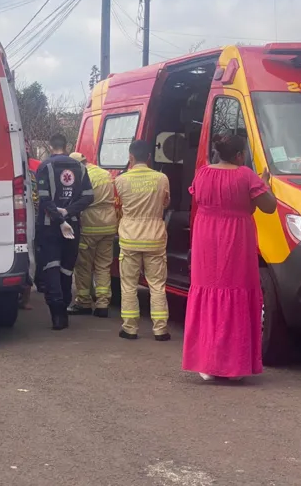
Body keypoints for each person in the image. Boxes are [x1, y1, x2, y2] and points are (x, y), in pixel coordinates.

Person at [183, 134, 277, 381]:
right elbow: (268, 206)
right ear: (239, 155)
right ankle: (234, 365)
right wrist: (263, 183)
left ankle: (206, 362)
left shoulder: (202, 173)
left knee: (207, 290)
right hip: (235, 237)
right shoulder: (246, 175)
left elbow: (202, 199)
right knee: (236, 290)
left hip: (206, 236)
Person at [114, 140, 171, 341]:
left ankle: (130, 328)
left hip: (129, 239)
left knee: (128, 285)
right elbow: (165, 203)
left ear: (130, 157)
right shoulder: (162, 178)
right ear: (149, 157)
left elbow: (118, 207)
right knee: (157, 284)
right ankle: (160, 330)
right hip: (155, 238)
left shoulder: (121, 181)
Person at [35, 134, 94, 330]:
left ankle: (57, 314)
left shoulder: (44, 167)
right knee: (67, 269)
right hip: (73, 224)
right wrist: (68, 213)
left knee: (51, 267)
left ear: (51, 147)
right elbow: (88, 197)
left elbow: (43, 198)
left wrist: (59, 217)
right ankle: (64, 307)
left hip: (48, 225)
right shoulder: (80, 167)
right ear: (66, 146)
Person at [67, 152, 117, 318]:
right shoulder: (104, 173)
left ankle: (84, 302)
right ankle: (103, 304)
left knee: (83, 266)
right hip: (109, 224)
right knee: (103, 266)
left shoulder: (81, 175)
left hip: (90, 224)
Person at [19, 145, 42, 310]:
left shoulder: (34, 168)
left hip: (33, 218)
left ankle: (26, 297)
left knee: (31, 258)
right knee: (30, 257)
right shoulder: (35, 167)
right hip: (31, 218)